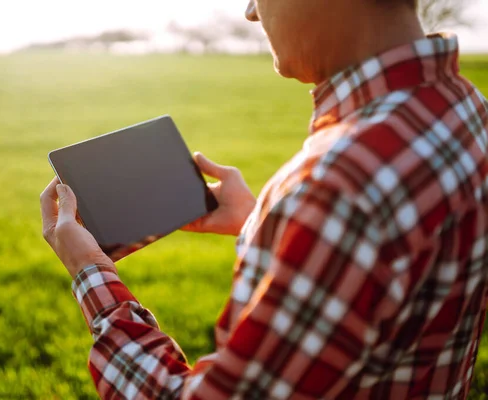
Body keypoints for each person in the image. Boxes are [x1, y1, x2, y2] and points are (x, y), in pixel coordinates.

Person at [40, 0, 488, 398]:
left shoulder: (338, 186)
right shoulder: (465, 108)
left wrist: (91, 275)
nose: (252, 12)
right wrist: (263, 221)